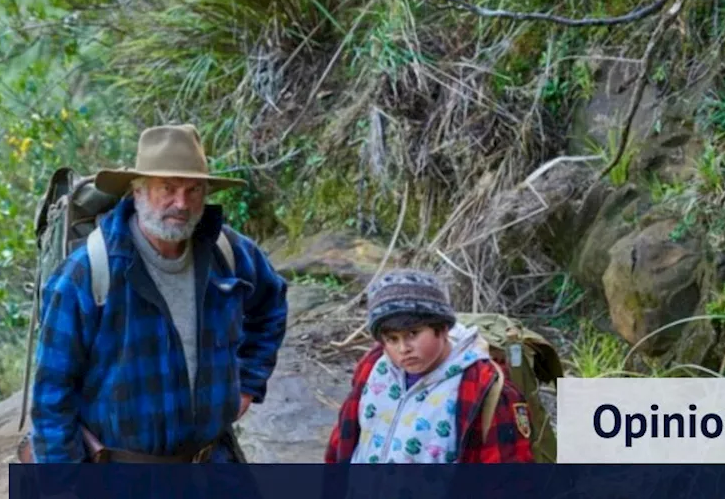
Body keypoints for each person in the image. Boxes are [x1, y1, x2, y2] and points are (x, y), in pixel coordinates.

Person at [28, 123, 290, 464]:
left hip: (213, 462)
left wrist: (248, 382)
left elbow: (271, 303)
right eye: (167, 188)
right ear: (137, 191)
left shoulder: (226, 252)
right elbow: (52, 396)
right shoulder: (88, 272)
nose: (181, 203)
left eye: (193, 190)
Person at [325, 268, 534, 465]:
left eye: (413, 334)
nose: (403, 348)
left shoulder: (482, 386)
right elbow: (344, 437)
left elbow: (506, 478)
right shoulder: (373, 366)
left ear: (442, 329)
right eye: (392, 339)